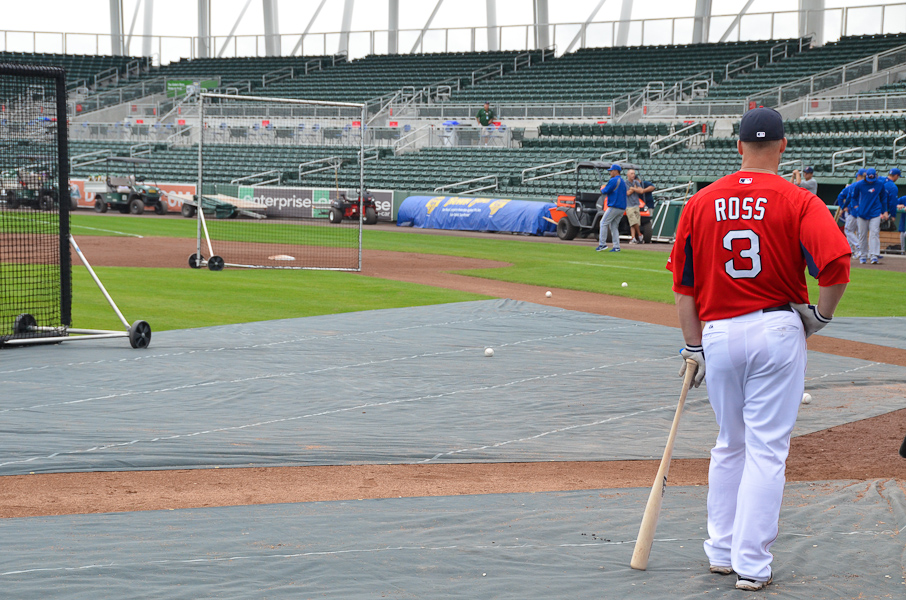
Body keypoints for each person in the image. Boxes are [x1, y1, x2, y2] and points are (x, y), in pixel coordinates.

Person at [666, 107, 850, 591]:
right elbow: (835, 265)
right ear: (784, 146)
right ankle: (752, 564)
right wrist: (822, 315)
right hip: (776, 328)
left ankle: (721, 552)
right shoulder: (799, 199)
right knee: (766, 451)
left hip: (719, 333)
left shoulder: (701, 202)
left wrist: (692, 346)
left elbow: (683, 289)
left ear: (739, 147)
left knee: (730, 444)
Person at [849, 167, 890, 264]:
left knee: (874, 233)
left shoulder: (880, 184)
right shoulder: (859, 184)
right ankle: (863, 255)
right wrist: (856, 207)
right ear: (865, 177)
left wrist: (885, 211)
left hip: (875, 212)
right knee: (862, 235)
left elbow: (883, 198)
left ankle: (874, 255)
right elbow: (853, 197)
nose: (870, 181)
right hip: (862, 213)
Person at [596, 164, 626, 253]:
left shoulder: (614, 180)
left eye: (611, 171)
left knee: (603, 223)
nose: (610, 172)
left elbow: (605, 191)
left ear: (616, 171)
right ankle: (616, 246)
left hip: (614, 206)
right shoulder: (622, 181)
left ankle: (602, 244)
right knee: (614, 227)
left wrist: (602, 188)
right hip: (622, 207)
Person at [836, 169, 864, 257]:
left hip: (859, 213)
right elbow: (841, 197)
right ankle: (853, 250)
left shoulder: (863, 186)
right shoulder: (853, 186)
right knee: (851, 231)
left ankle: (859, 249)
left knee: (852, 231)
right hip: (854, 212)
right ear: (858, 176)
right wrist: (844, 207)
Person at [625, 169, 655, 244]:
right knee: (633, 221)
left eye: (634, 173)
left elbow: (641, 191)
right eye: (631, 173)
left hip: (638, 204)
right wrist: (634, 189)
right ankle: (639, 234)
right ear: (628, 175)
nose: (633, 175)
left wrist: (633, 188)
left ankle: (633, 238)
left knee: (635, 222)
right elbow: (627, 193)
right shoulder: (625, 183)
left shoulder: (639, 183)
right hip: (629, 204)